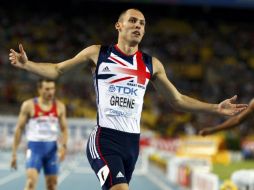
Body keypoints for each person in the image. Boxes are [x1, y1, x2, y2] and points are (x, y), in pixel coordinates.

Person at [9, 8, 247, 190]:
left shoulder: (152, 65)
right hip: (104, 139)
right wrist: (27, 64)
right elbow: (58, 70)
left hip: (131, 144)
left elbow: (177, 99)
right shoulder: (98, 53)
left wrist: (215, 107)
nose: (138, 26)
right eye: (133, 21)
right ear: (119, 26)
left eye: (142, 23)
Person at [10, 79, 68, 190]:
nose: (50, 92)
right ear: (39, 89)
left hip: (52, 150)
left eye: (52, 89)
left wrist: (64, 147)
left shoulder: (60, 106)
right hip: (34, 149)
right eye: (47, 89)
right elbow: (19, 129)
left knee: (52, 185)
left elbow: (64, 129)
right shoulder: (28, 105)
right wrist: (14, 153)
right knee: (31, 182)